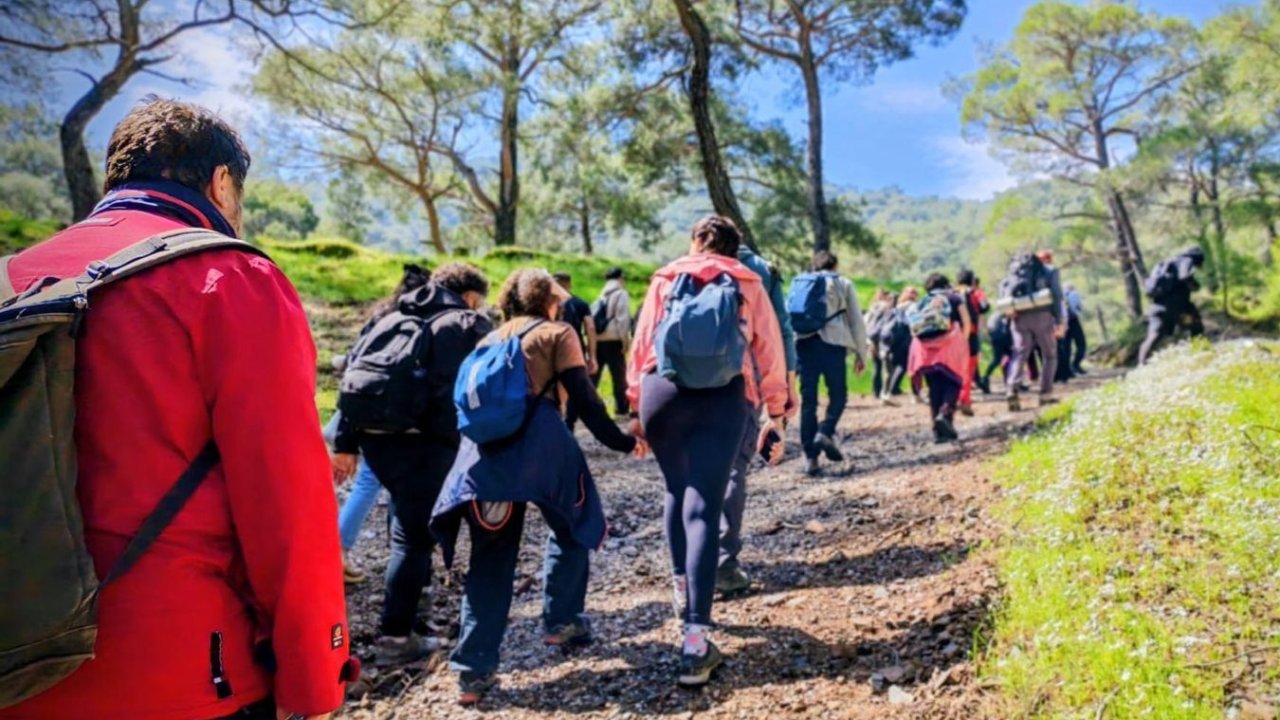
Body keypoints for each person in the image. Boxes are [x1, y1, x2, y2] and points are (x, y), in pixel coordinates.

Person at [0, 99, 350, 719]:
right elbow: (288, 505)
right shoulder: (229, 277)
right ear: (221, 183)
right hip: (180, 672)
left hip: (19, 663)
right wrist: (316, 676)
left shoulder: (15, 277)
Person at [430, 269, 644, 706]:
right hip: (542, 452)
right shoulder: (557, 333)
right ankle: (562, 620)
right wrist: (623, 440)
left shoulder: (488, 338)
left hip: (484, 459)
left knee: (490, 561)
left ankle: (473, 671)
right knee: (571, 525)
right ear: (550, 301)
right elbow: (584, 397)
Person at [627, 215, 789, 688]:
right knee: (704, 507)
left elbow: (641, 345)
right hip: (722, 396)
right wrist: (775, 412)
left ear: (696, 242)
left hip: (662, 392)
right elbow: (768, 351)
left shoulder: (665, 276)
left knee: (675, 492)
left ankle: (681, 589)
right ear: (733, 249)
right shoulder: (746, 281)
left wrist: (637, 407)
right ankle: (695, 645)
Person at [332, 263, 494, 665]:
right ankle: (396, 638)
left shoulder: (390, 314)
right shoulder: (465, 322)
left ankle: (417, 613)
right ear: (471, 295)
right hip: (426, 444)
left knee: (407, 523)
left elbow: (352, 375)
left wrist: (346, 443)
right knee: (413, 538)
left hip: (376, 439)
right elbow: (470, 388)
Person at [331, 264, 431, 585]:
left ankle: (339, 551)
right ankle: (340, 551)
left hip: (362, 407)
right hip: (393, 418)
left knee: (368, 483)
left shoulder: (380, 317)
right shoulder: (420, 322)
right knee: (376, 484)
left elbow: (351, 364)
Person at [716, 243, 797, 596]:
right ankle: (723, 565)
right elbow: (780, 333)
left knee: (688, 475)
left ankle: (687, 566)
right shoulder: (760, 271)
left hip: (682, 386)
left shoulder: (680, 270)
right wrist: (783, 396)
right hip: (741, 382)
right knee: (733, 467)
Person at [793, 250, 869, 476]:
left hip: (804, 344)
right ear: (834, 265)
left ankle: (810, 459)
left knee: (809, 402)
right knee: (839, 395)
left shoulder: (801, 282)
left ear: (814, 265)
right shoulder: (842, 283)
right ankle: (825, 431)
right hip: (833, 344)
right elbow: (856, 319)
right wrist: (861, 353)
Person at [907, 274, 972, 443]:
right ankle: (944, 415)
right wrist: (963, 341)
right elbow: (967, 321)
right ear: (946, 284)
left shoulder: (922, 301)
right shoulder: (954, 298)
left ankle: (938, 433)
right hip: (949, 347)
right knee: (954, 383)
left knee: (934, 389)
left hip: (925, 350)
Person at [1000, 249, 1065, 410]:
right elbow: (1057, 295)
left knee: (1019, 354)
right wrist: (1059, 319)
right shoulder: (1049, 271)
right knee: (1050, 355)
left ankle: (1011, 389)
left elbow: (1003, 292)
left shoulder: (1013, 273)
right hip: (1043, 315)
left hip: (1019, 317)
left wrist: (1008, 314)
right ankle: (1045, 394)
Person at [1138, 247, 1206, 365]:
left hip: (1158, 307)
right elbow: (1185, 276)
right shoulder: (1187, 259)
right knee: (1196, 326)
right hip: (1180, 307)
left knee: (1154, 335)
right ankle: (1201, 356)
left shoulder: (1167, 264)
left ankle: (1141, 364)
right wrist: (1195, 286)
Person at [555, 271, 599, 431]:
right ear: (570, 284)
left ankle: (555, 420)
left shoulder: (547, 303)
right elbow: (591, 328)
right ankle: (569, 423)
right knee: (574, 386)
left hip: (552, 351)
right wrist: (592, 356)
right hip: (575, 351)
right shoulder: (580, 303)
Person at [592, 266, 632, 416]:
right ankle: (621, 409)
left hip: (598, 339)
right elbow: (622, 319)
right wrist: (625, 341)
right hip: (614, 340)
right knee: (619, 377)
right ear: (620, 278)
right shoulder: (621, 293)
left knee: (594, 376)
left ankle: (585, 406)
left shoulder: (601, 294)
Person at [955, 270, 989, 414]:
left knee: (955, 368)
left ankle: (953, 398)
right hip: (971, 335)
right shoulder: (975, 292)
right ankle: (965, 399)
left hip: (952, 336)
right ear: (972, 280)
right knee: (968, 368)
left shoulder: (951, 292)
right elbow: (984, 307)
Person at [864, 288, 897, 401]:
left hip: (871, 338)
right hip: (882, 340)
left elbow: (867, 323)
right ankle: (884, 391)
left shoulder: (872, 307)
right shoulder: (885, 307)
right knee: (886, 367)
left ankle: (875, 391)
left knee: (876, 366)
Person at [984, 312, 1016, 390]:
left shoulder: (994, 314)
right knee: (1014, 358)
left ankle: (985, 377)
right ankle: (1013, 380)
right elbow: (1009, 328)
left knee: (997, 360)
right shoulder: (1006, 314)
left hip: (995, 337)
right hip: (1003, 337)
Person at [1064, 283, 1087, 375]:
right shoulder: (1074, 294)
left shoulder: (1061, 295)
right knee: (1081, 344)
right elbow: (1080, 307)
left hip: (1063, 322)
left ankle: (1068, 369)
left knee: (1066, 346)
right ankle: (1076, 364)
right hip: (1073, 320)